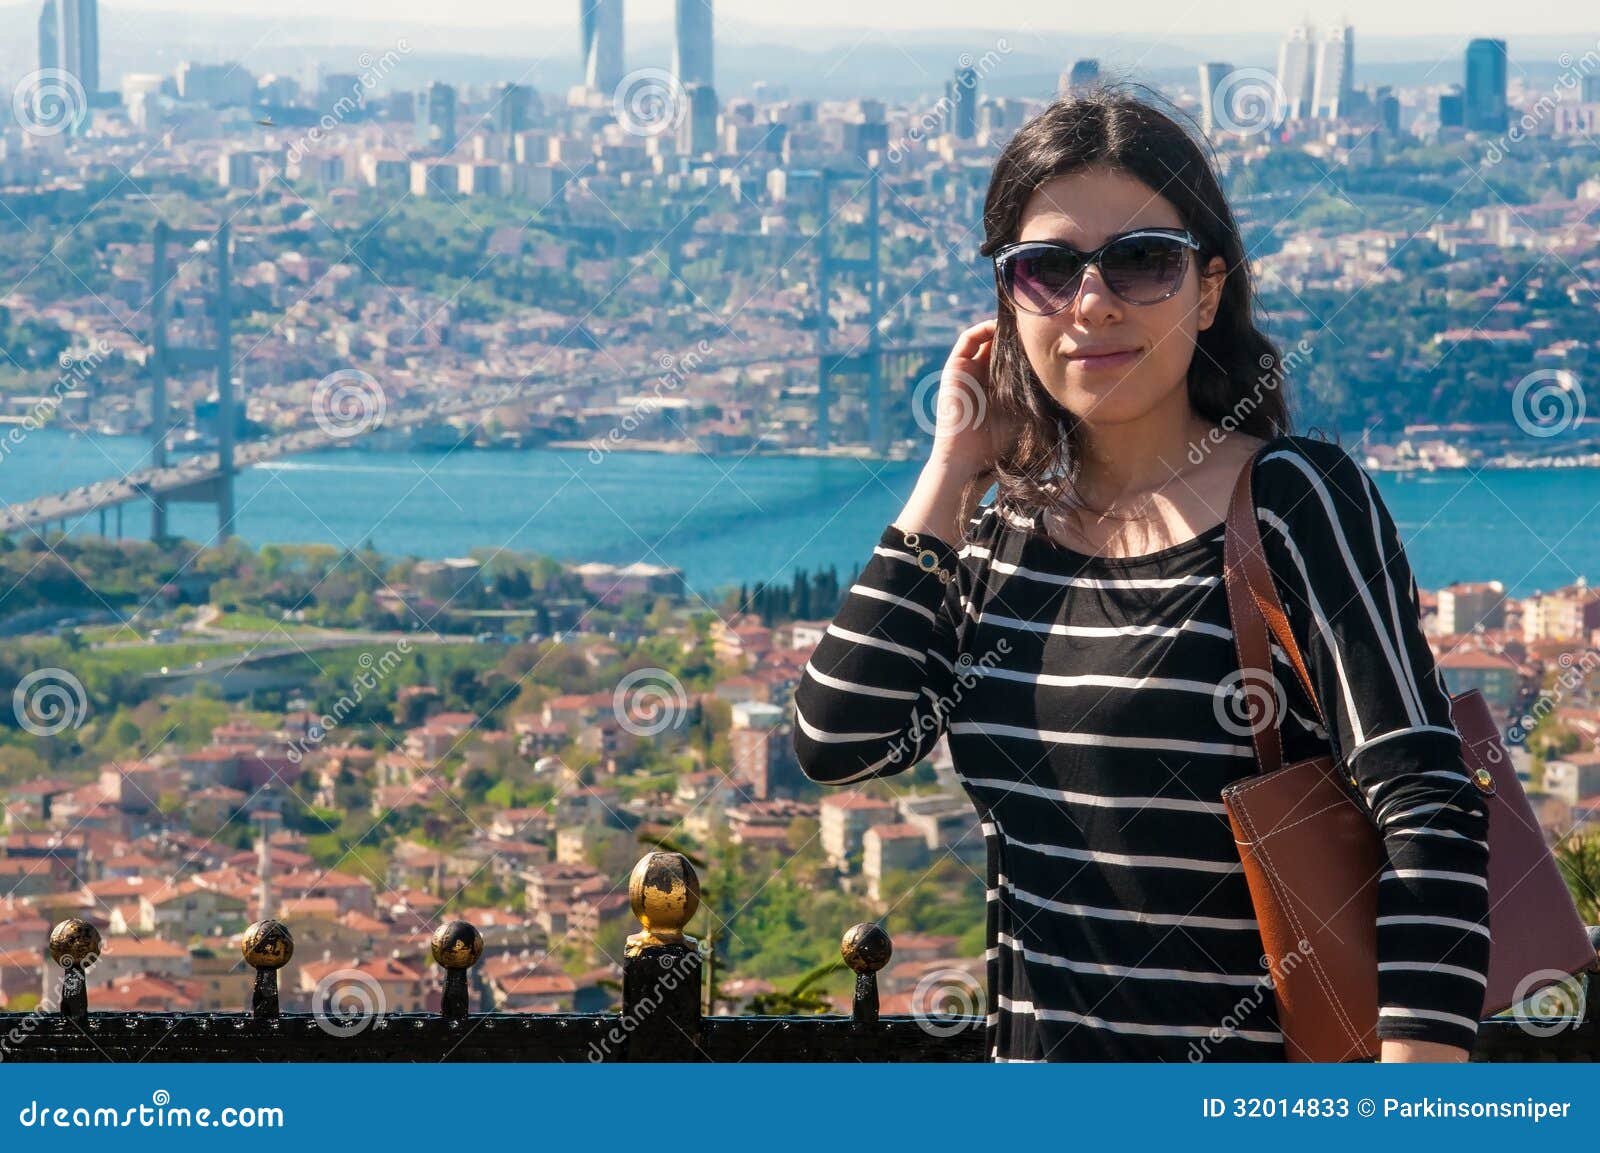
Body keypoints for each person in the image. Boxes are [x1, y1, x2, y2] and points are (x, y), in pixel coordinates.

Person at [791, 89, 1490, 1063]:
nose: (1092, 303)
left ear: (1207, 290)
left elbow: (1427, 808)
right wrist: (951, 468)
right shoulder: (1000, 543)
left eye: (1142, 260)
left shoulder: (1291, 502)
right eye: (1043, 269)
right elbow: (836, 737)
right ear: (1007, 301)